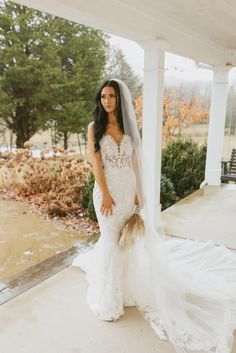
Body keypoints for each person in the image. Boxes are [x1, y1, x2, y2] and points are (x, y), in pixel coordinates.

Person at [72, 79, 236, 353]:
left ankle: (124, 290)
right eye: (103, 97)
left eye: (111, 96)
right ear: (99, 100)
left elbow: (134, 163)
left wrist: (139, 194)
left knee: (126, 244)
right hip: (107, 194)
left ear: (119, 100)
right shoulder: (94, 128)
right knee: (111, 241)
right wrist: (106, 194)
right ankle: (109, 299)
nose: (107, 101)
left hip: (127, 194)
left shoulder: (127, 127)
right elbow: (95, 164)